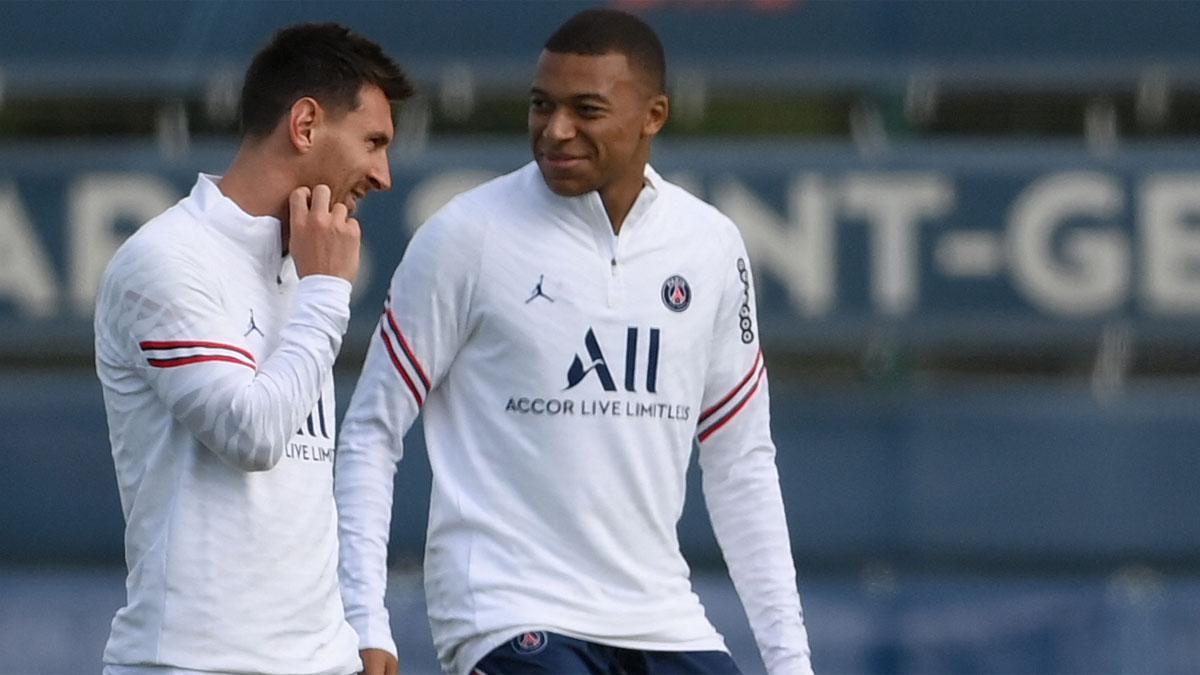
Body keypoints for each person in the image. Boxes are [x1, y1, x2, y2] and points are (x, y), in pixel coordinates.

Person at [336, 8, 812, 675]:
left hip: (664, 616)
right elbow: (370, 432)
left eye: (586, 109)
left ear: (654, 115)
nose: (556, 130)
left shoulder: (710, 245)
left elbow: (742, 465)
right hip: (507, 613)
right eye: (541, 105)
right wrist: (364, 614)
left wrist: (792, 662)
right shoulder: (464, 235)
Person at [94, 22, 412, 675]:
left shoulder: (306, 261)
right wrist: (326, 293)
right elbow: (253, 434)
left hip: (326, 658)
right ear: (305, 124)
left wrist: (357, 627)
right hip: (195, 662)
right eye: (373, 142)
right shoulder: (166, 259)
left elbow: (305, 486)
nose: (383, 174)